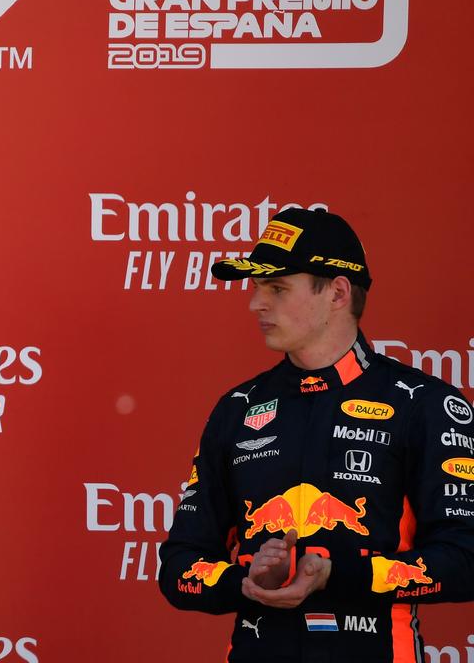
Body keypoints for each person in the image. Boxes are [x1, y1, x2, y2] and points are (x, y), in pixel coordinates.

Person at [159, 208, 474, 661]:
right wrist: (244, 581)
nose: (255, 304)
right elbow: (178, 567)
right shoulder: (236, 410)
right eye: (256, 288)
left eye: (277, 288)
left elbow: (464, 560)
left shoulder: (423, 405)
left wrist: (337, 574)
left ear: (338, 293)